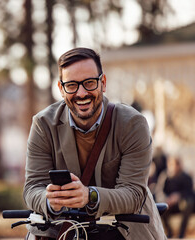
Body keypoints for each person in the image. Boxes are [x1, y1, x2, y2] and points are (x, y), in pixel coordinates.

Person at [23, 47, 166, 240]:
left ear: (103, 83)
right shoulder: (43, 125)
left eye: (89, 83)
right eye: (72, 85)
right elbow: (32, 188)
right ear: (61, 89)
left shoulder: (132, 124)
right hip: (61, 229)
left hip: (124, 229)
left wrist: (90, 195)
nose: (81, 93)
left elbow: (133, 194)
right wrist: (50, 200)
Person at [155, 156, 194, 238]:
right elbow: (159, 192)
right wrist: (167, 199)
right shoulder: (164, 176)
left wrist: (178, 196)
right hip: (168, 204)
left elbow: (190, 192)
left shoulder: (186, 177)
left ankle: (181, 234)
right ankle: (169, 232)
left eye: (175, 165)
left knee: (188, 203)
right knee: (160, 206)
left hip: (181, 204)